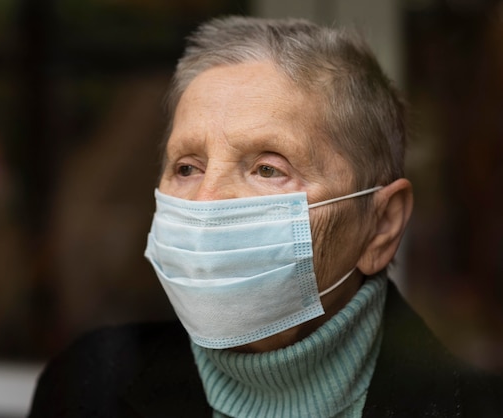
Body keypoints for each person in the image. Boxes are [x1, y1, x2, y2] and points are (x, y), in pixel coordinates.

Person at [29, 16, 503, 417]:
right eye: (187, 167)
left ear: (381, 226)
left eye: (268, 168)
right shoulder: (85, 388)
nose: (207, 201)